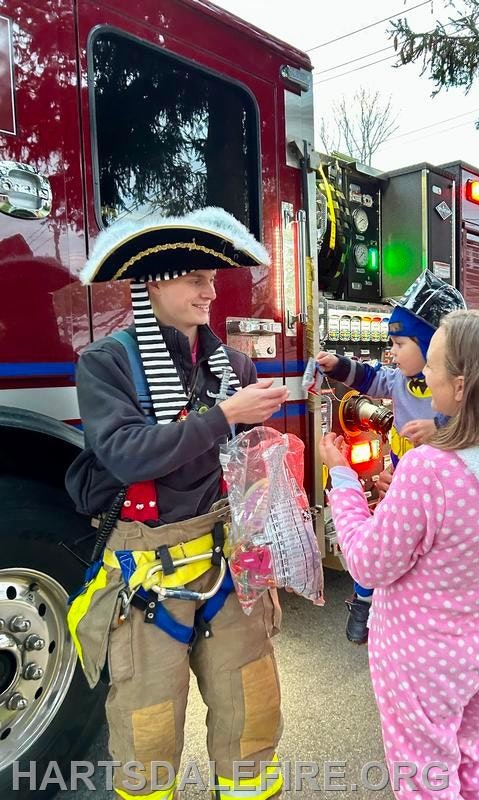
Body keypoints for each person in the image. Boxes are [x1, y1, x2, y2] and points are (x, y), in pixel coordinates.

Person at [65, 208, 289, 800]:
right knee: (147, 732)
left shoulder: (234, 366)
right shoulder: (105, 363)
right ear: (153, 284)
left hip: (229, 564)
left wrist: (266, 446)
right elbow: (125, 455)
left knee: (254, 716)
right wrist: (225, 416)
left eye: (213, 278)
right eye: (194, 277)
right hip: (147, 576)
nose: (210, 291)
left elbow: (243, 474)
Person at [319, 309, 479, 800]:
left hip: (423, 658)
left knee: (426, 779)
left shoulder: (430, 469)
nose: (424, 374)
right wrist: (404, 499)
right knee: (471, 756)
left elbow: (368, 564)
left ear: (460, 386)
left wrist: (344, 479)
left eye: (432, 365)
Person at [316, 270, 465, 644]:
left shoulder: (459, 397)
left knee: (423, 557)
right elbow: (371, 377)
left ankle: (419, 617)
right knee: (379, 541)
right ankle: (363, 603)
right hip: (398, 481)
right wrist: (338, 366)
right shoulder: (401, 379)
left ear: (434, 346)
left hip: (438, 497)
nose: (392, 352)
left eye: (401, 344)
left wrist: (442, 430)